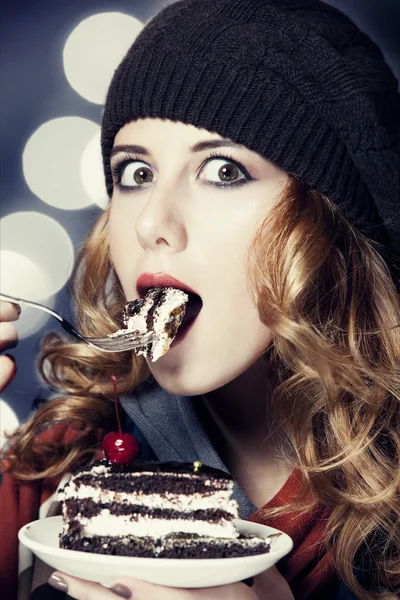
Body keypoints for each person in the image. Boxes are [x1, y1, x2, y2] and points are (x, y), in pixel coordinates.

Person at [1, 0, 399, 599]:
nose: (150, 223)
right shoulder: (49, 471)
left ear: (331, 225)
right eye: (135, 174)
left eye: (223, 171)